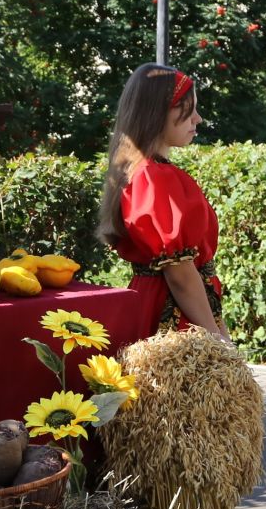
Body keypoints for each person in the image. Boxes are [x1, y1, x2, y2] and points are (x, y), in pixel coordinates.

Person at [97, 63, 230, 340]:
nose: (198, 118)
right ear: (157, 112)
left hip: (174, 306)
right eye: (188, 108)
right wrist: (217, 338)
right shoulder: (153, 177)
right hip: (176, 316)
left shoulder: (145, 172)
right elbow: (180, 274)